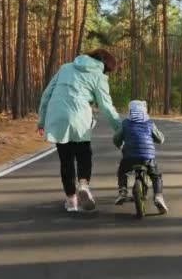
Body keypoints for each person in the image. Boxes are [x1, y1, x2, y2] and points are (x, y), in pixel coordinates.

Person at [37, 49, 122, 212]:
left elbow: (46, 94)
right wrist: (121, 128)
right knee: (84, 154)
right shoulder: (99, 76)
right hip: (79, 116)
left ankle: (71, 201)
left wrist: (42, 121)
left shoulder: (65, 68)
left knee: (66, 160)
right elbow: (106, 106)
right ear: (104, 66)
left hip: (57, 116)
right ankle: (83, 183)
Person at [113, 100, 168, 214]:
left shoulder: (125, 123)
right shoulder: (149, 123)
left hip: (129, 156)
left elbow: (116, 139)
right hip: (147, 156)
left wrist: (120, 145)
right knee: (156, 175)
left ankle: (122, 191)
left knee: (122, 171)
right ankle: (158, 196)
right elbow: (160, 139)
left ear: (130, 111)